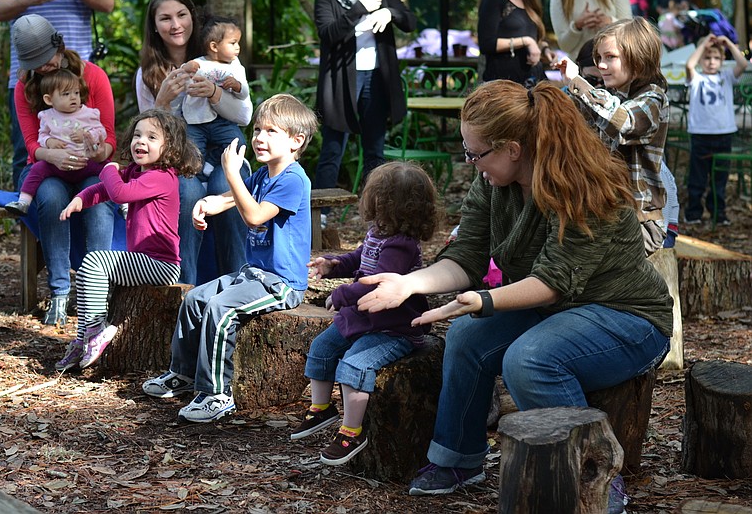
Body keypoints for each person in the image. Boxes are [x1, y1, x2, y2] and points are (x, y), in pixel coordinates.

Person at [355, 80, 672, 502]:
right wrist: (408, 283)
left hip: (625, 316)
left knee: (532, 360)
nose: (471, 162)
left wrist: (484, 299)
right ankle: (457, 459)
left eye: (476, 153)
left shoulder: (582, 187)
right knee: (468, 336)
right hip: (557, 310)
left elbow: (553, 283)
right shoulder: (492, 183)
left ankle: (594, 486)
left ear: (513, 149)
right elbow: (467, 256)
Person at [142, 94, 317, 423]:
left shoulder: (293, 179)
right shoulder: (264, 176)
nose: (259, 138)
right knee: (195, 299)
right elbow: (233, 197)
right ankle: (183, 374)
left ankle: (216, 393)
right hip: (253, 275)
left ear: (297, 141)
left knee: (220, 309)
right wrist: (209, 203)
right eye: (257, 130)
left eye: (271, 132)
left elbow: (253, 216)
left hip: (281, 284)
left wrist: (231, 172)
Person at [291, 161, 438, 465]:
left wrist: (341, 293)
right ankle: (322, 409)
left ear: (383, 203)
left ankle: (352, 431)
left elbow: (379, 282)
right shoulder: (379, 233)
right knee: (321, 348)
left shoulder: (401, 246)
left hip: (392, 325)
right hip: (363, 317)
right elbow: (360, 256)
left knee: (354, 365)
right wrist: (334, 264)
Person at [54, 109, 202, 371]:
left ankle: (97, 328)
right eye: (137, 135)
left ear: (171, 148)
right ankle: (82, 339)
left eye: (151, 137)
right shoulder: (138, 171)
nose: (141, 141)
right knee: (89, 271)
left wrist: (108, 167)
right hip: (143, 260)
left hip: (161, 265)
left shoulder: (162, 177)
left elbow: (119, 192)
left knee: (94, 262)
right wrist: (81, 199)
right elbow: (104, 190)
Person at [135, 0, 249, 286]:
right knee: (187, 193)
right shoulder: (148, 73)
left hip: (226, 151)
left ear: (192, 18)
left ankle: (237, 286)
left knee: (228, 186)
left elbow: (244, 116)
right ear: (154, 26)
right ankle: (184, 289)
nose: (176, 25)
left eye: (182, 15)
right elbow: (147, 138)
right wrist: (161, 103)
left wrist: (214, 94)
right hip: (183, 157)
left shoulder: (220, 54)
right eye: (165, 18)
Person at [12, 14, 117, 325]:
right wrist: (52, 156)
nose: (44, 67)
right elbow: (31, 143)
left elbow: (110, 135)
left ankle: (98, 289)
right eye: (35, 62)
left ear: (60, 46)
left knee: (97, 199)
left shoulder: (93, 76)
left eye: (47, 58)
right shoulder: (26, 87)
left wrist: (99, 150)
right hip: (45, 168)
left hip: (90, 165)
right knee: (53, 196)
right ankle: (59, 291)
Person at [0, 0, 115, 190]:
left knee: (85, 136)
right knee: (24, 154)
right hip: (29, 78)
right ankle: (26, 218)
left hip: (77, 74)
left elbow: (108, 2)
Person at [313, 0, 417, 211]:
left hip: (376, 77)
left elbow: (410, 21)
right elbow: (328, 34)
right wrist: (358, 9)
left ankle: (378, 212)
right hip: (340, 81)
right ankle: (319, 216)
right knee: (333, 150)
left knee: (375, 150)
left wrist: (390, 12)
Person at [558, 17, 669, 255]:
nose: (601, 65)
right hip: (606, 215)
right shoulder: (610, 97)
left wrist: (579, 83)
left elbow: (623, 122)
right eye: (599, 58)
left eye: (610, 57)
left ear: (638, 59)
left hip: (641, 224)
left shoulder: (653, 100)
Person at [5, 68, 106, 216]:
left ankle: (124, 203)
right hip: (56, 166)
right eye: (66, 94)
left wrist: (86, 135)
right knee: (36, 169)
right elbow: (41, 137)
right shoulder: (47, 117)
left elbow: (101, 131)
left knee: (108, 169)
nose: (73, 98)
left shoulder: (88, 113)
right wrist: (50, 142)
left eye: (76, 93)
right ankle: (23, 202)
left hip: (84, 162)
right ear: (48, 100)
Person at [683, 34, 749, 227]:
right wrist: (703, 45)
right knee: (697, 179)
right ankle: (693, 212)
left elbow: (743, 64)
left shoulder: (727, 77)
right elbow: (689, 65)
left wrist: (727, 43)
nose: (711, 62)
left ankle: (718, 213)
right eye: (707, 57)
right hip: (701, 136)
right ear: (701, 58)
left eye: (716, 58)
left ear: (722, 60)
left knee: (720, 179)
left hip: (724, 135)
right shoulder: (696, 78)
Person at [181, 16, 251, 183]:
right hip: (195, 120)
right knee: (192, 150)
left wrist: (237, 86)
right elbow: (181, 78)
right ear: (214, 46)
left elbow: (244, 94)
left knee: (238, 143)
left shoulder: (235, 67)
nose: (238, 47)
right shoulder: (198, 64)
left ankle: (211, 163)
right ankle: (198, 178)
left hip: (222, 121)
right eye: (233, 43)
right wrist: (186, 68)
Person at [477, 0, 554, 86]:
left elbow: (535, 38)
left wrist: (544, 49)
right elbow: (486, 43)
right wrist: (526, 41)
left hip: (533, 83)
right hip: (504, 89)